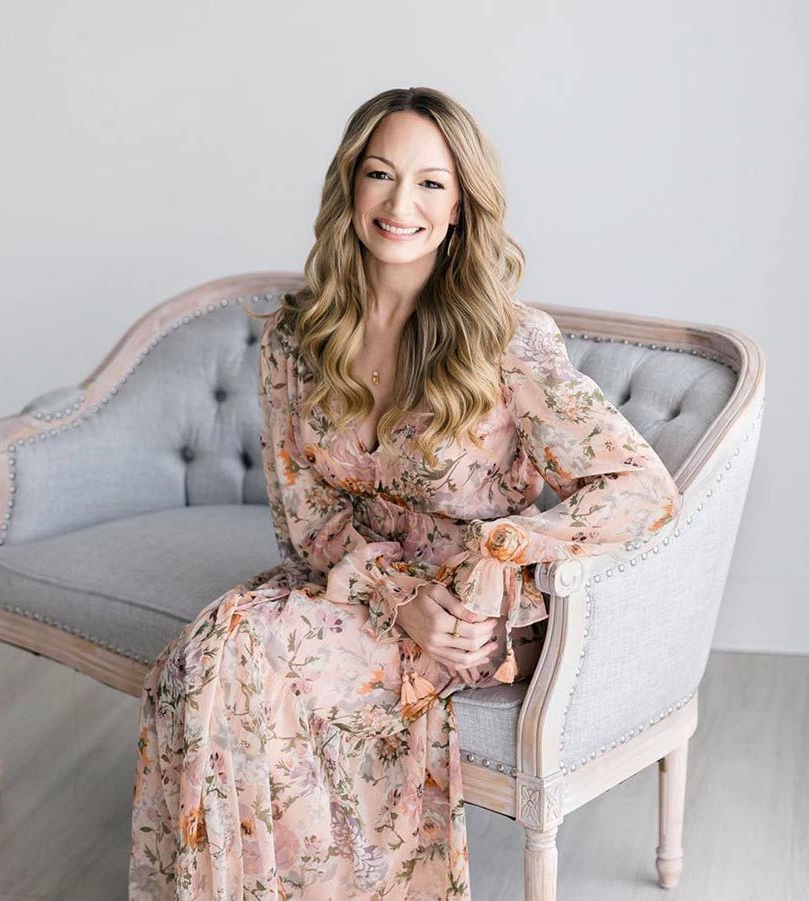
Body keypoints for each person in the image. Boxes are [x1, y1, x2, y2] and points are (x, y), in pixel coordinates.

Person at [128, 86, 683, 900]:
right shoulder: (297, 337)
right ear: (350, 185)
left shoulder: (506, 341)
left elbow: (641, 488)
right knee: (203, 660)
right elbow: (306, 520)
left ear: (459, 206)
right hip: (355, 587)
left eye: (430, 183)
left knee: (240, 662)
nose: (400, 204)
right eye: (381, 174)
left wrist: (505, 549)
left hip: (467, 621)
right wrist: (395, 596)